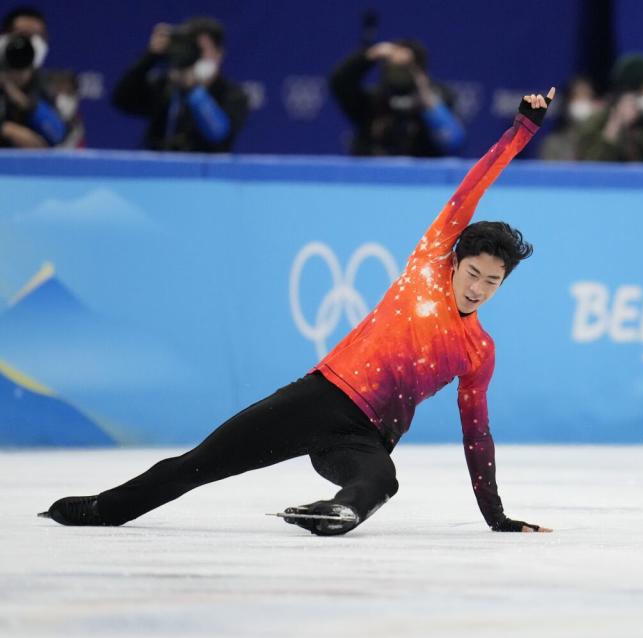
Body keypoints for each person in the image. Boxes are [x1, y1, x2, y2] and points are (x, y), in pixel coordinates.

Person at [39, 87, 557, 537]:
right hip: (321, 399)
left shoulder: (479, 351)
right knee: (199, 465)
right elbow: (474, 186)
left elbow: (477, 434)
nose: (481, 289)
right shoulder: (427, 263)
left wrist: (497, 516)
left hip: (366, 436)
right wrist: (522, 130)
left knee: (381, 480)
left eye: (494, 282)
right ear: (455, 261)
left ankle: (340, 512)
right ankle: (100, 509)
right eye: (474, 275)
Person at [111, 17, 248, 152]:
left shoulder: (234, 95)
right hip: (161, 170)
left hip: (206, 172)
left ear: (219, 54)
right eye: (191, 47)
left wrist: (193, 90)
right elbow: (122, 99)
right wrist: (151, 56)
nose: (195, 55)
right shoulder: (166, 85)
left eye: (201, 49)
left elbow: (218, 134)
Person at [330, 39, 465, 157]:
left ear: (421, 71)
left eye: (406, 67)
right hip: (371, 179)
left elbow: (454, 142)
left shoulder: (439, 99)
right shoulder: (372, 102)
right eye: (392, 66)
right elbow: (339, 83)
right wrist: (370, 55)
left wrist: (428, 102)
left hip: (418, 181)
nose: (399, 72)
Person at [0, 5, 67, 148]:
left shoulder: (46, 83)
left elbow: (57, 135)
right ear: (4, 37)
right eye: (22, 34)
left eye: (37, 35)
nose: (29, 42)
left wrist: (24, 102)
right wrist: (8, 130)